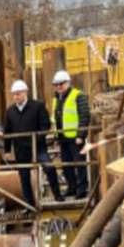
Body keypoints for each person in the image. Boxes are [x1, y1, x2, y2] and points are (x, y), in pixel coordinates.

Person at [2, 80, 54, 205]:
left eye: (18, 94)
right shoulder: (10, 112)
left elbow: (45, 125)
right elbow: (7, 132)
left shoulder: (38, 106)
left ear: (25, 92)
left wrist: (37, 139)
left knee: (49, 167)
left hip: (38, 146)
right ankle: (29, 204)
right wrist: (7, 150)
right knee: (24, 177)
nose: (16, 97)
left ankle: (57, 195)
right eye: (14, 94)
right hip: (21, 149)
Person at [48, 70, 91, 199]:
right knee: (67, 165)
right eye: (56, 84)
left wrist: (80, 135)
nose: (59, 86)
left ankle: (81, 189)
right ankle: (72, 188)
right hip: (63, 138)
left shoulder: (78, 96)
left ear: (68, 83)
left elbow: (84, 116)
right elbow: (56, 118)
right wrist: (56, 135)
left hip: (75, 137)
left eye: (61, 84)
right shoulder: (57, 99)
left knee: (79, 164)